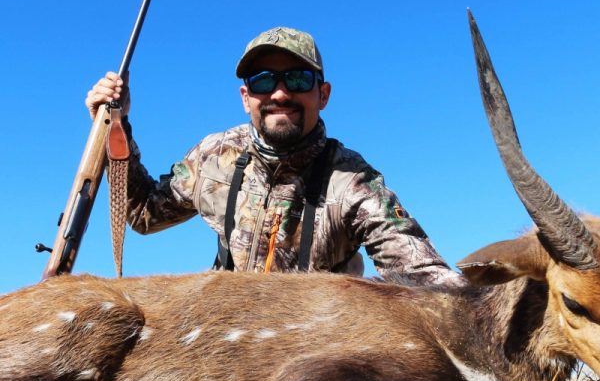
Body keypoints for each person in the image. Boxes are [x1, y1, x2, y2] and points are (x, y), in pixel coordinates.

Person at [87, 26, 463, 286]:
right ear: (246, 97)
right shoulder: (213, 157)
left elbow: (425, 278)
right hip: (223, 340)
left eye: (298, 79)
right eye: (263, 81)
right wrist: (117, 127)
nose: (280, 94)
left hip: (315, 351)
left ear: (323, 94)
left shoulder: (352, 182)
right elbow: (143, 213)